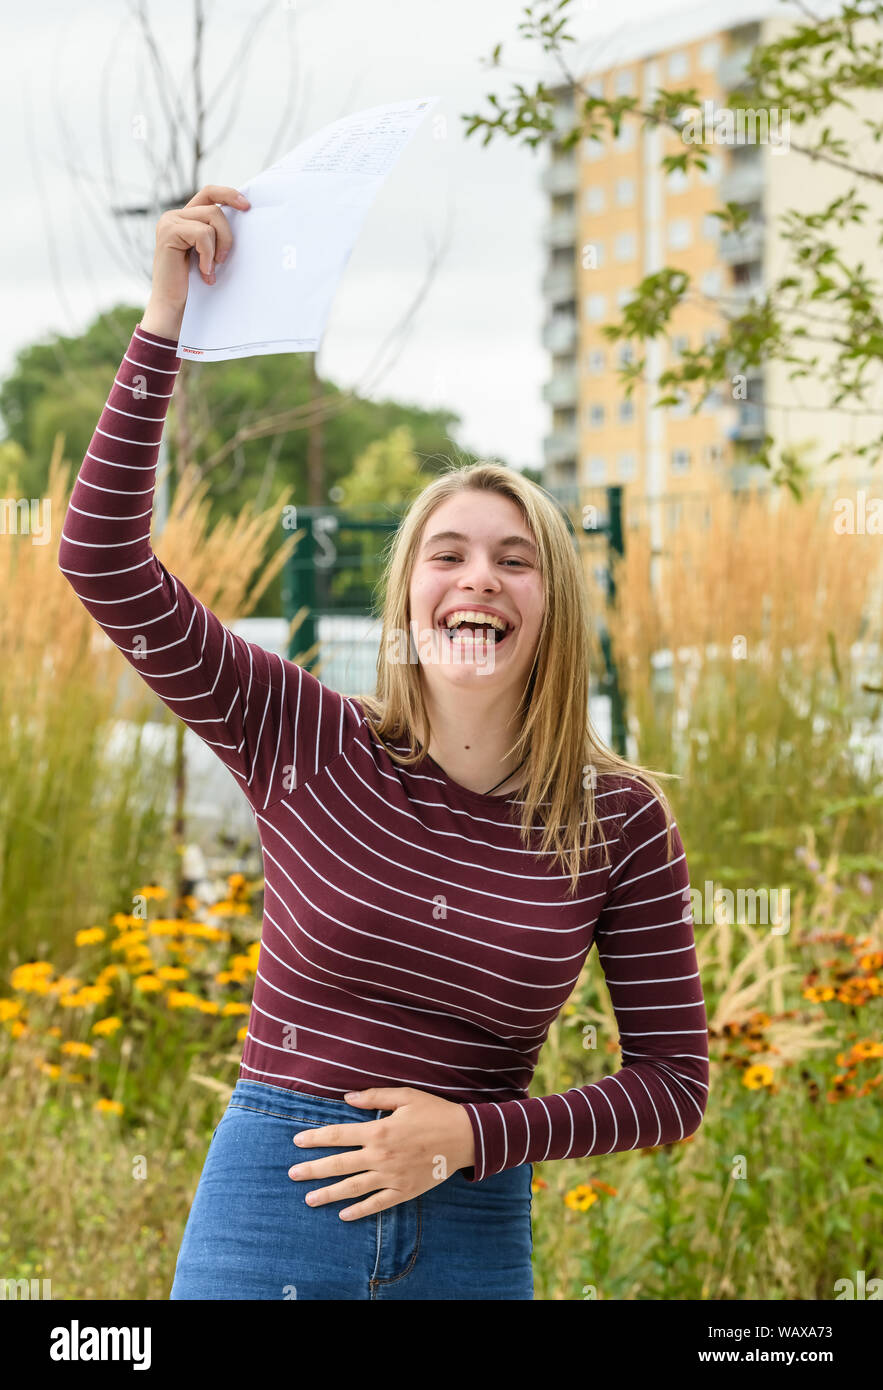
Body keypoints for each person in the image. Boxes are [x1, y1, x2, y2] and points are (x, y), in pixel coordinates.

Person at [57, 185, 709, 1301]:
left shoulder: (621, 822)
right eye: (446, 553)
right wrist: (164, 318)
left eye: (515, 558)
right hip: (273, 1212)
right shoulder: (301, 731)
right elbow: (102, 561)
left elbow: (673, 1084)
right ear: (408, 594)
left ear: (552, 604)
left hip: (471, 1229)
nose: (478, 579)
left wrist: (471, 1134)